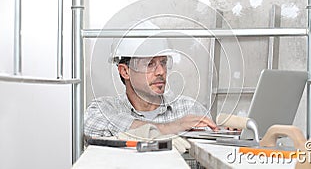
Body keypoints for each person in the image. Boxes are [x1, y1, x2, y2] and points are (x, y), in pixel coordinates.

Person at [84, 38, 218, 141]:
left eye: (163, 63)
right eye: (150, 64)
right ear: (125, 71)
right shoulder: (105, 109)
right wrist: (171, 127)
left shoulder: (191, 109)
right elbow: (90, 125)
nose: (160, 71)